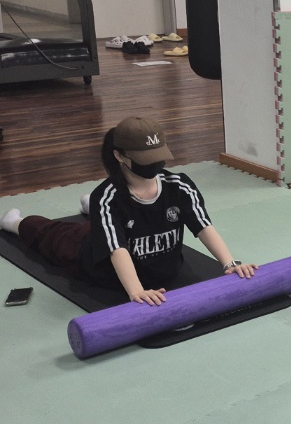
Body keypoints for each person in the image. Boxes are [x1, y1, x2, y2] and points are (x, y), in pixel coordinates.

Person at [0, 117, 257, 307]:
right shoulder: (108, 197)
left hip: (160, 264)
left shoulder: (179, 186)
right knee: (56, 236)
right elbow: (117, 249)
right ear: (120, 156)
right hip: (103, 270)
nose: (155, 165)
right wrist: (136, 291)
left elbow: (203, 226)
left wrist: (230, 264)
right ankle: (15, 222)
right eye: (146, 159)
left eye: (158, 156)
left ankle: (93, 213)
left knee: (111, 220)